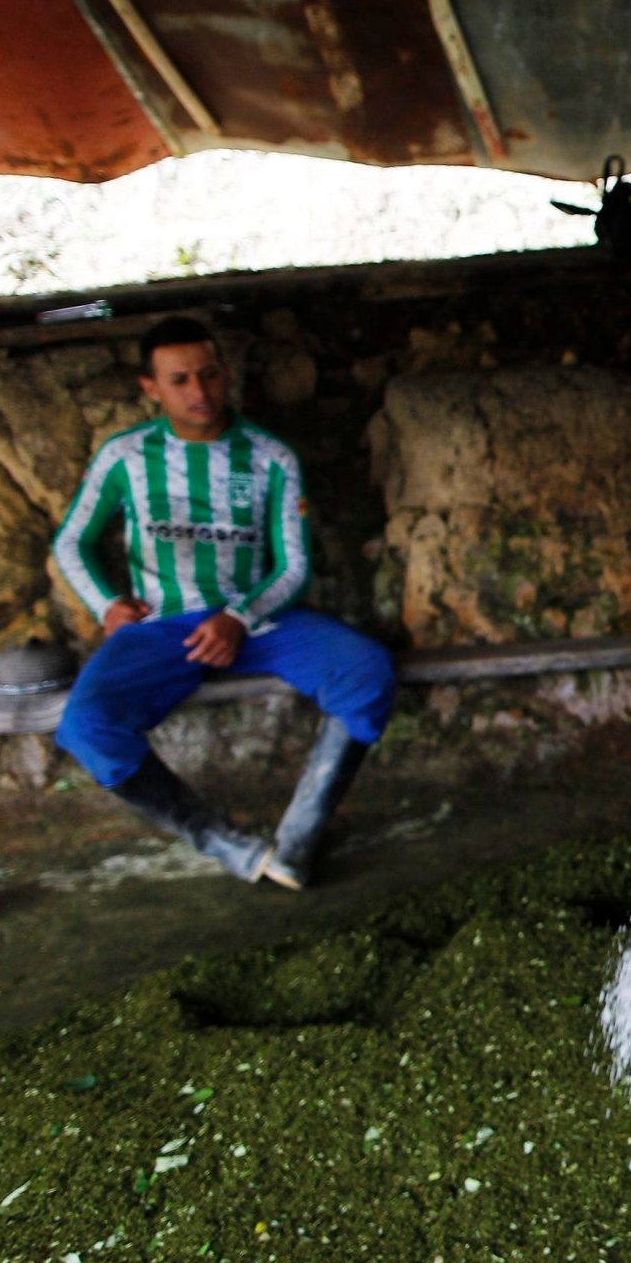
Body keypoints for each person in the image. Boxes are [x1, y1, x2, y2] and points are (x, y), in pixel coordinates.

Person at [51, 316, 394, 889]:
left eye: (209, 375)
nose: (199, 391)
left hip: (258, 620)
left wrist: (238, 616)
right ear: (151, 388)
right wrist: (106, 605)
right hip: (160, 626)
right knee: (88, 726)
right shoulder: (126, 457)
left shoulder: (270, 457)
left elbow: (293, 565)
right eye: (179, 379)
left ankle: (298, 842)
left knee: (367, 671)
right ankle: (225, 843)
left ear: (225, 374)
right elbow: (72, 541)